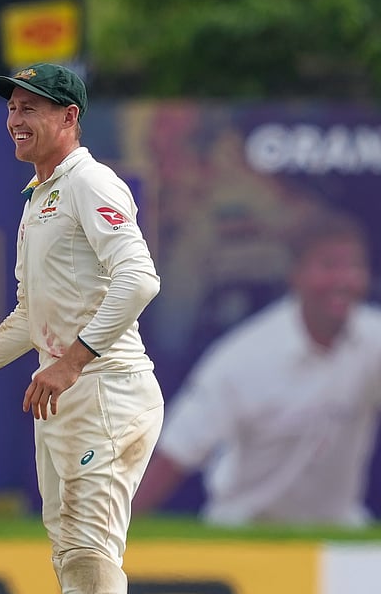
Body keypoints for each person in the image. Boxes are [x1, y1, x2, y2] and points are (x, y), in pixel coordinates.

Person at [0, 63, 163, 594]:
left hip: (106, 394)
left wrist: (70, 362)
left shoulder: (90, 182)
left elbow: (139, 278)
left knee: (90, 564)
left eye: (30, 109)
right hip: (70, 402)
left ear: (70, 117)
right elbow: (29, 318)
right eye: (13, 108)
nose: (15, 119)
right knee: (74, 562)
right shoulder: (42, 193)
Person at [134, 214, 381, 527]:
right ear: (297, 274)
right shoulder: (244, 358)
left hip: (338, 536)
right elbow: (176, 454)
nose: (343, 279)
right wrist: (107, 543)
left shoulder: (373, 341)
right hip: (247, 534)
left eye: (355, 267)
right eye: (329, 265)